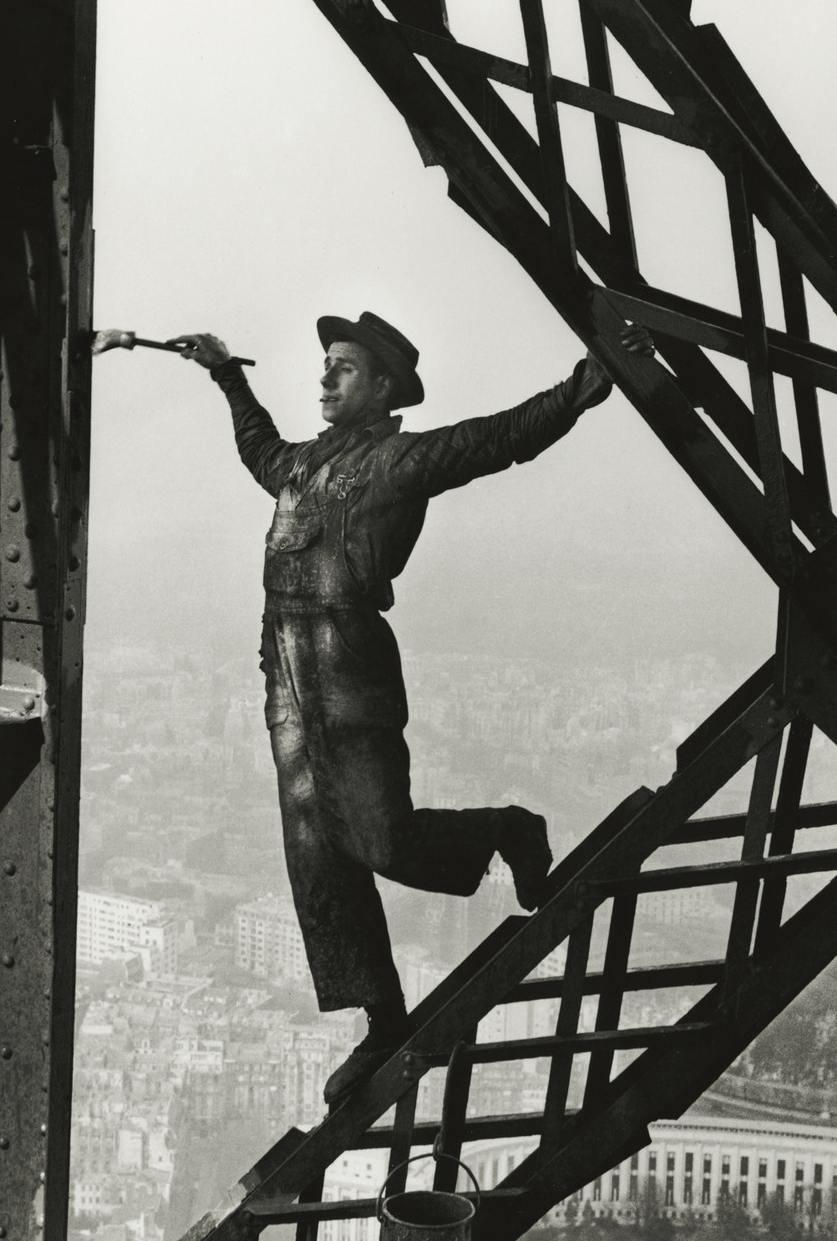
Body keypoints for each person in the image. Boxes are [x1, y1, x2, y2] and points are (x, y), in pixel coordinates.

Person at [170, 312, 653, 1105]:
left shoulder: (401, 460)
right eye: (324, 365)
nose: (326, 378)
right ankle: (381, 1018)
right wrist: (226, 373)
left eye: (345, 369)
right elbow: (256, 444)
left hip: (350, 673)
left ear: (384, 387)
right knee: (317, 858)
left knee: (381, 839)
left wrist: (579, 389)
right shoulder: (297, 466)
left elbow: (497, 439)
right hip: (288, 682)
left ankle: (506, 829)